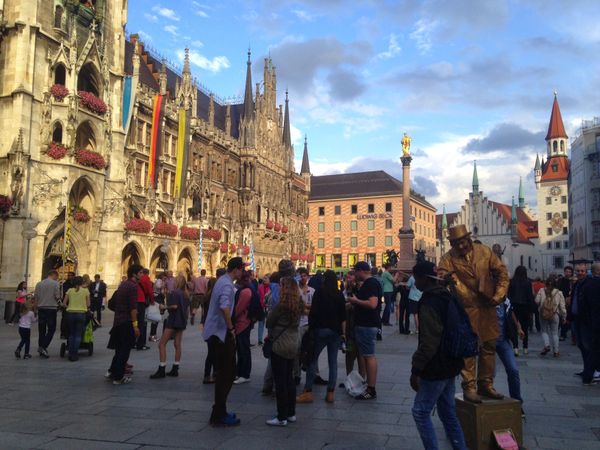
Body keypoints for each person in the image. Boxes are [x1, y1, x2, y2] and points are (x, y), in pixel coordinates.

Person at [438, 224, 509, 404]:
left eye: (462, 242)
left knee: (489, 346)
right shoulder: (448, 258)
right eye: (456, 244)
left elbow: (501, 272)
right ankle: (469, 386)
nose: (461, 246)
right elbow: (442, 275)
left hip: (487, 307)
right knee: (468, 349)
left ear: (468, 239)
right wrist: (448, 280)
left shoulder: (484, 251)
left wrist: (499, 295)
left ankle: (486, 384)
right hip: (465, 311)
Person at [410, 261, 467, 450]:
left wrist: (416, 369)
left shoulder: (429, 302)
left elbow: (429, 341)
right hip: (452, 361)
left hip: (436, 366)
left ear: (424, 279)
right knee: (448, 412)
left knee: (420, 411)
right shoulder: (448, 296)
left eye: (416, 278)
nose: (415, 282)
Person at [203, 257, 244, 427]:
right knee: (226, 373)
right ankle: (218, 414)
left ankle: (219, 411)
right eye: (242, 269)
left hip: (214, 332)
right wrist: (231, 328)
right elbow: (224, 306)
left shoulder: (222, 281)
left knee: (224, 373)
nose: (243, 272)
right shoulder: (227, 284)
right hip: (220, 334)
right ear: (235, 269)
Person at [297, 270, 346, 404]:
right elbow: (343, 317)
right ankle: (330, 394)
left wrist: (311, 329)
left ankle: (308, 392)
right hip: (335, 332)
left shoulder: (319, 292)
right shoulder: (339, 294)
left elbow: (314, 312)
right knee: (333, 363)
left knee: (312, 360)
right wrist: (343, 334)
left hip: (320, 330)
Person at [265, 276, 303, 426]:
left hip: (280, 344)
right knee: (290, 379)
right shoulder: (298, 304)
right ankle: (291, 413)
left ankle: (281, 417)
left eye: (281, 285)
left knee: (280, 381)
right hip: (293, 343)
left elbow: (269, 322)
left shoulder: (281, 306)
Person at [347, 261, 383, 400]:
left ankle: (371, 389)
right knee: (367, 355)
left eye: (355, 271)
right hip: (365, 324)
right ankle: (368, 385)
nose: (354, 274)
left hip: (367, 325)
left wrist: (356, 301)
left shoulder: (371, 284)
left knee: (369, 356)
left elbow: (373, 304)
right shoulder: (370, 284)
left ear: (361, 271)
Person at [150, 274, 190, 379]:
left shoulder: (174, 293)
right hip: (181, 321)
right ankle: (175, 368)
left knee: (162, 344)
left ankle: (162, 368)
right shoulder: (186, 294)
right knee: (177, 344)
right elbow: (186, 310)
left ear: (177, 282)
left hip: (173, 320)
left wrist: (165, 306)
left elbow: (174, 306)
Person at [106, 265, 141, 385]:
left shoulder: (123, 284)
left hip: (118, 321)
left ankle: (113, 372)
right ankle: (119, 377)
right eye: (140, 273)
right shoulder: (132, 287)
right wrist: (135, 325)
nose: (142, 275)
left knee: (119, 349)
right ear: (134, 274)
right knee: (125, 350)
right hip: (126, 322)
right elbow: (133, 308)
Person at [495, 299, 524, 409]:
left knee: (513, 370)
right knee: (489, 374)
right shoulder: (484, 298)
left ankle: (517, 402)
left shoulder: (505, 301)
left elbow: (511, 313)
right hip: (488, 342)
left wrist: (518, 328)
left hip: (503, 340)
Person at [295, 267, 320, 385]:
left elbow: (315, 308)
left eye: (305, 275)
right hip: (298, 324)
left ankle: (315, 374)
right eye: (301, 275)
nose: (303, 278)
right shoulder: (295, 291)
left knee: (313, 349)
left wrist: (306, 310)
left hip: (310, 323)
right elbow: (298, 308)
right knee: (297, 350)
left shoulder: (313, 290)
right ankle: (297, 374)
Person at [578, 263, 600, 385]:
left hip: (591, 321)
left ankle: (590, 373)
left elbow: (583, 305)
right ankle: (590, 374)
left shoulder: (587, 286)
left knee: (594, 348)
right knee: (595, 350)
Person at [535, 275, 566, 357]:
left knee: (544, 331)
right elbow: (562, 307)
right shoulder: (559, 292)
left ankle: (547, 345)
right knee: (555, 333)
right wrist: (564, 316)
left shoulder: (542, 290)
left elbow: (537, 301)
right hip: (554, 314)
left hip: (543, 314)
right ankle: (556, 351)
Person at [507, 266, 535, 356]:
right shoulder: (528, 282)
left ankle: (515, 348)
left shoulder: (511, 282)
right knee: (525, 327)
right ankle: (525, 347)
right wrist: (531, 310)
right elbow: (530, 296)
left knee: (514, 327)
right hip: (525, 306)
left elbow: (509, 295)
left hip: (514, 306)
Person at [34, 270, 61, 358]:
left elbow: (36, 297)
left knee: (41, 330)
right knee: (51, 329)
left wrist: (35, 309)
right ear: (54, 275)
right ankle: (43, 347)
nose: (57, 278)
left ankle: (41, 348)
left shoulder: (39, 284)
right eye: (57, 277)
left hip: (41, 308)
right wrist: (60, 303)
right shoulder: (55, 284)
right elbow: (57, 296)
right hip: (51, 309)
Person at [233, 271, 253, 384]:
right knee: (242, 349)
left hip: (243, 323)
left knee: (243, 349)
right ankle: (240, 372)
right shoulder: (246, 290)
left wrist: (231, 317)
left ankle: (244, 374)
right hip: (243, 323)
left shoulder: (245, 292)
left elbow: (239, 309)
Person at [64, 276, 90, 361]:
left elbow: (64, 303)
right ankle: (75, 354)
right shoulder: (85, 291)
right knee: (78, 335)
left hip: (70, 313)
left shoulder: (69, 291)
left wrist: (70, 306)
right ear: (81, 282)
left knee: (71, 334)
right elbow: (88, 304)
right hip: (81, 313)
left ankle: (70, 353)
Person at [201, 277, 218, 384]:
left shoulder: (206, 296)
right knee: (215, 352)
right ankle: (213, 374)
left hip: (208, 325)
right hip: (214, 326)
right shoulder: (214, 296)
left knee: (211, 352)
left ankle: (208, 374)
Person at [136, 268, 153, 350]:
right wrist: (152, 301)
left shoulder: (136, 279)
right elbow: (150, 291)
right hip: (141, 302)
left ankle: (134, 342)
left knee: (135, 322)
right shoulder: (146, 279)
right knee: (142, 323)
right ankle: (141, 343)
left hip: (134, 302)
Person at [558, 266, 574, 341]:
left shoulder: (573, 281)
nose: (568, 273)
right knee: (563, 318)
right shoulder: (561, 280)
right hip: (562, 301)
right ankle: (563, 334)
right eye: (566, 271)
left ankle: (573, 335)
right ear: (564, 272)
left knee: (570, 318)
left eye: (569, 272)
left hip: (572, 302)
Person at [150, 272, 166, 342]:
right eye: (165, 276)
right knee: (155, 318)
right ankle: (152, 335)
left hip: (159, 299)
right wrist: (163, 284)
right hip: (158, 299)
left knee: (156, 318)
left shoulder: (160, 281)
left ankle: (153, 335)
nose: (165, 278)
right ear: (162, 276)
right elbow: (158, 287)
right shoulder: (159, 281)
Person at [257, 274, 271, 346]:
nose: (264, 279)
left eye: (266, 278)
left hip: (268, 308)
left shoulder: (271, 288)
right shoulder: (260, 287)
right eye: (264, 278)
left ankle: (269, 337)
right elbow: (258, 297)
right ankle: (260, 340)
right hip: (261, 308)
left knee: (269, 324)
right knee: (261, 324)